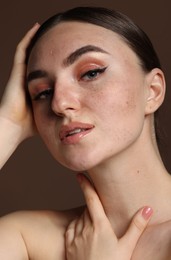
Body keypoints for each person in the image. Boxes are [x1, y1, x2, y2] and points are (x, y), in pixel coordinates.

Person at [0, 6, 170, 259]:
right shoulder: (24, 239)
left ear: (153, 91)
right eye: (43, 92)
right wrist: (9, 124)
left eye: (91, 73)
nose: (58, 104)